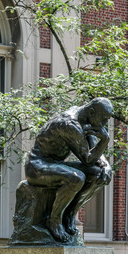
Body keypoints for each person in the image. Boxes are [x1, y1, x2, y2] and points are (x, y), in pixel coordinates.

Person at [24, 98, 114, 243]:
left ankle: (69, 214)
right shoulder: (70, 124)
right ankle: (54, 220)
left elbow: (95, 155)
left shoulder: (86, 118)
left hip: (55, 164)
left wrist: (106, 165)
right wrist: (105, 141)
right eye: (103, 119)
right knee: (76, 177)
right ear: (92, 112)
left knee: (99, 174)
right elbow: (88, 159)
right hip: (37, 166)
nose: (104, 124)